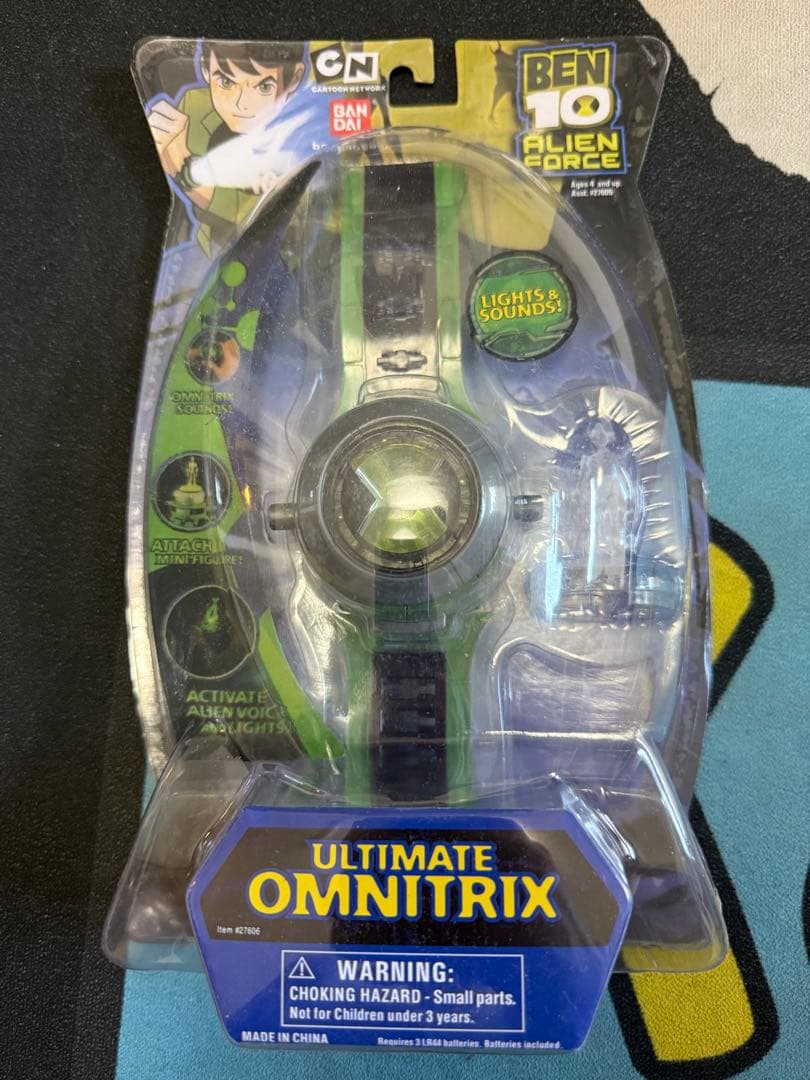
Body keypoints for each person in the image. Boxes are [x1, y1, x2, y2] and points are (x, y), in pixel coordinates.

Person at [147, 41, 307, 254]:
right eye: (226, 81)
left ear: (294, 79)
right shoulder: (194, 106)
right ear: (205, 69)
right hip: (204, 249)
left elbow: (244, 216)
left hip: (275, 254)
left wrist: (182, 164)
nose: (242, 104)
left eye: (264, 87)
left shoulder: (300, 133)